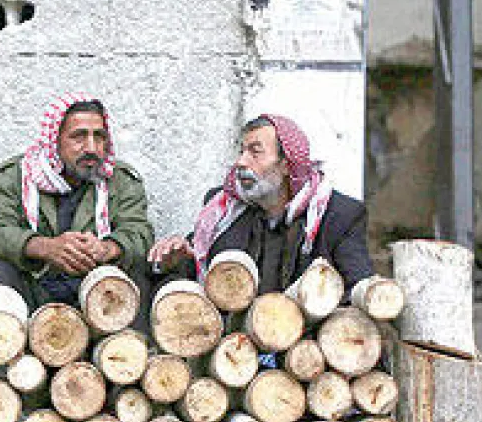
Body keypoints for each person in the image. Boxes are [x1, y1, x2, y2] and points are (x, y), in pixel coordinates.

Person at [0, 93, 155, 321]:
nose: (92, 147)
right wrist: (44, 247)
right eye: (78, 137)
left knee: (134, 274)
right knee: (0, 270)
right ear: (54, 141)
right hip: (34, 290)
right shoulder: (12, 178)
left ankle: (126, 351)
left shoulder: (121, 180)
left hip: (95, 298)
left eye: (99, 137)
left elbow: (140, 232)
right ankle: (0, 348)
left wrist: (108, 249)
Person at [147, 113, 371, 294]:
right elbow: (199, 268)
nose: (241, 162)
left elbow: (358, 290)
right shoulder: (223, 212)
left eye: (255, 152)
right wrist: (178, 260)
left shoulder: (339, 215)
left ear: (286, 165)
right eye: (241, 152)